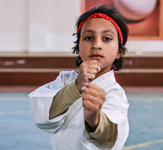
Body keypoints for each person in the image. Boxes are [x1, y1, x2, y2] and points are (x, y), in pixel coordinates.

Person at [29, 5, 129, 150]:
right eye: (88, 37)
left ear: (119, 51)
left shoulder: (114, 93)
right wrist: (75, 87)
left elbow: (113, 135)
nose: (96, 45)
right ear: (78, 46)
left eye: (106, 39)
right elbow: (42, 114)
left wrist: (94, 118)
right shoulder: (65, 80)